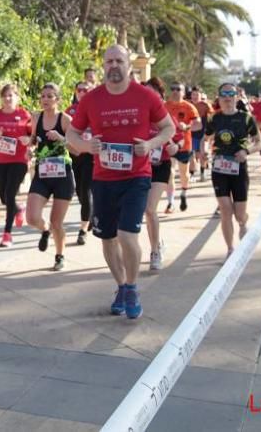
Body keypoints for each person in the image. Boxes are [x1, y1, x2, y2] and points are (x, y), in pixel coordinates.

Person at [67, 45, 175, 320]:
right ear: (103, 66)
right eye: (109, 61)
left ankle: (132, 287)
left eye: (119, 60)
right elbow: (72, 135)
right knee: (108, 238)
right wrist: (86, 146)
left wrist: (150, 144)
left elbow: (168, 128)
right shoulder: (91, 100)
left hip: (136, 176)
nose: (113, 65)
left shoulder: (145, 96)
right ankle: (121, 287)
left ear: (129, 66)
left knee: (128, 235)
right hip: (103, 180)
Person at [204, 83, 261, 258]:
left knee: (239, 214)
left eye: (231, 94)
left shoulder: (246, 118)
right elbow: (205, 138)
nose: (227, 97)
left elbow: (260, 142)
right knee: (225, 210)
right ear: (219, 98)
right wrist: (202, 151)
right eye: (224, 94)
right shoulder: (214, 118)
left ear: (237, 97)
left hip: (239, 169)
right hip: (220, 168)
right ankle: (230, 249)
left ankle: (243, 223)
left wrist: (246, 151)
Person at [24, 83, 75, 270]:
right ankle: (45, 230)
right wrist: (29, 151)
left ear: (58, 99)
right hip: (43, 173)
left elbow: (76, 148)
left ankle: (60, 255)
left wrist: (61, 138)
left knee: (57, 222)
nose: (45, 99)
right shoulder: (36, 118)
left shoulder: (65, 119)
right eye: (43, 96)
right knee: (31, 217)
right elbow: (33, 141)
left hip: (63, 175)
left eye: (50, 96)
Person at [142, 77, 184, 271]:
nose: (149, 97)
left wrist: (175, 146)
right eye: (146, 93)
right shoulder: (138, 115)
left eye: (153, 93)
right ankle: (157, 243)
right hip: (140, 166)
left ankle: (155, 250)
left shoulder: (165, 116)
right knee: (145, 211)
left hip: (160, 166)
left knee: (150, 209)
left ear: (160, 96)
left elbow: (179, 140)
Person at [0, 84, 33, 247]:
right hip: (1, 161)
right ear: (1, 98)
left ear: (17, 97)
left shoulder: (24, 115)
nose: (8, 99)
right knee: (3, 197)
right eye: (5, 96)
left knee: (10, 194)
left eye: (11, 95)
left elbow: (33, 137)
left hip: (19, 160)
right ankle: (18, 210)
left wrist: (29, 141)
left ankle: (7, 234)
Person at [164, 83, 202, 212]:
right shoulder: (164, 106)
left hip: (184, 145)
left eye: (178, 89)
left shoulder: (189, 107)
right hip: (168, 144)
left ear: (184, 92)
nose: (175, 91)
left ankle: (183, 194)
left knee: (184, 174)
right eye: (172, 89)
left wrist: (186, 127)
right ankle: (170, 203)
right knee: (170, 173)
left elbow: (198, 124)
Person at [67, 81, 94, 245]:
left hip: (91, 155)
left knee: (87, 191)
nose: (82, 92)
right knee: (80, 191)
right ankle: (90, 213)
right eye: (79, 90)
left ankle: (82, 230)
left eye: (86, 89)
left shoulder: (98, 108)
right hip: (75, 154)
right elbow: (66, 132)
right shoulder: (70, 111)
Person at [189, 87, 214, 182]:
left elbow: (212, 118)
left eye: (197, 94)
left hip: (203, 134)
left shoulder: (205, 106)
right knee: (191, 156)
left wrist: (210, 134)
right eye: (193, 94)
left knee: (204, 154)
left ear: (200, 95)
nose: (195, 97)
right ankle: (191, 174)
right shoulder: (187, 105)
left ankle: (203, 173)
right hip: (191, 134)